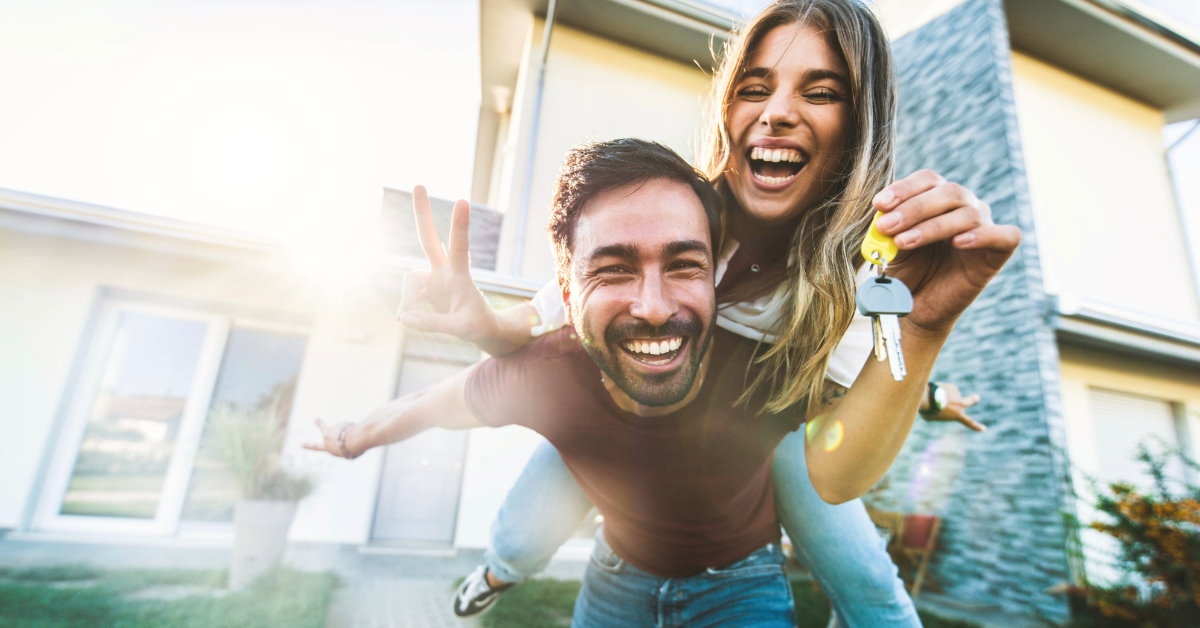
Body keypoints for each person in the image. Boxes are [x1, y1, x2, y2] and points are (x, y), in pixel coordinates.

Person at [397, 1, 1017, 624]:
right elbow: (547, 313)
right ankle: (494, 573)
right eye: (755, 87)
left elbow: (848, 418)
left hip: (757, 431)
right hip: (638, 409)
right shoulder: (677, 211)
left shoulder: (861, 273)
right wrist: (487, 327)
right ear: (728, 108)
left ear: (859, 124)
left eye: (820, 90)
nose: (776, 113)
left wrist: (924, 354)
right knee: (529, 521)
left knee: (869, 579)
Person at [307, 137, 1017, 626]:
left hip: (738, 576)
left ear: (714, 268)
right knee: (520, 539)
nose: (652, 304)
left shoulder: (762, 358)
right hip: (619, 554)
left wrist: (924, 375)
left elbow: (849, 384)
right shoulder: (555, 358)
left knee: (869, 581)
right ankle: (491, 576)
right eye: (615, 267)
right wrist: (354, 434)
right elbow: (454, 385)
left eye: (682, 264)